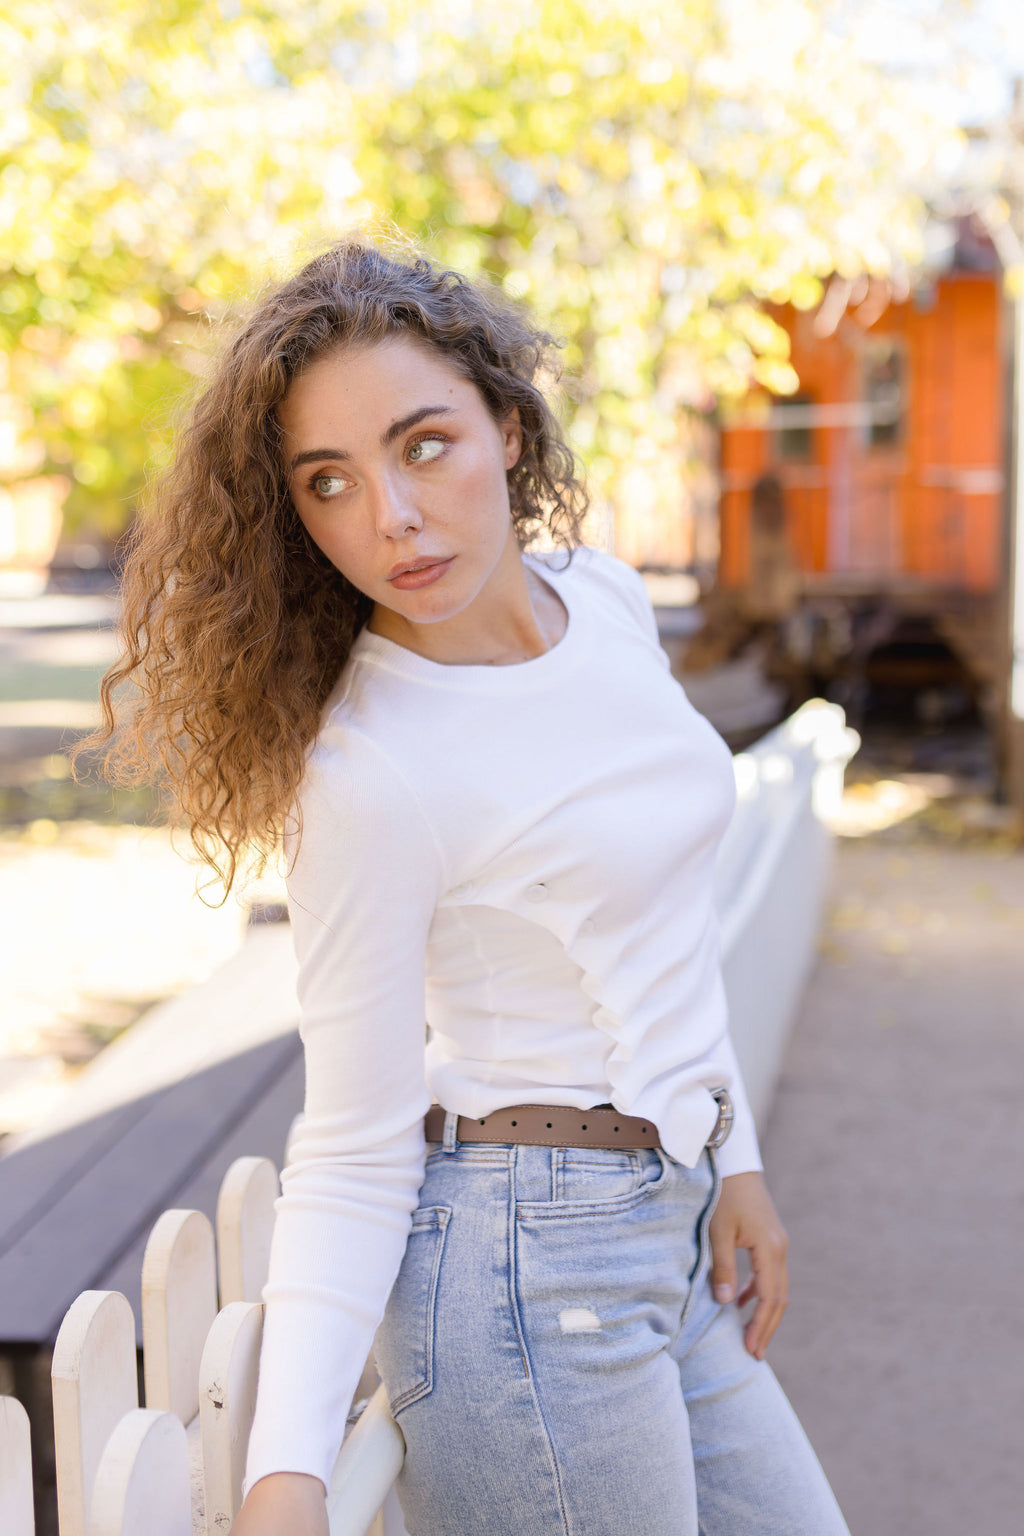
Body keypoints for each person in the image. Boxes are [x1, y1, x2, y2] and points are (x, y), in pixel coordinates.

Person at [87, 238, 850, 1536]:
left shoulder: (600, 601)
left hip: (663, 1219)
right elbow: (350, 1142)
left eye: (422, 443)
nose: (387, 515)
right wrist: (287, 1472)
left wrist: (739, 1163)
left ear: (506, 425)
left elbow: (660, 932)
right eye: (328, 482)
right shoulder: (376, 771)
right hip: (524, 1271)